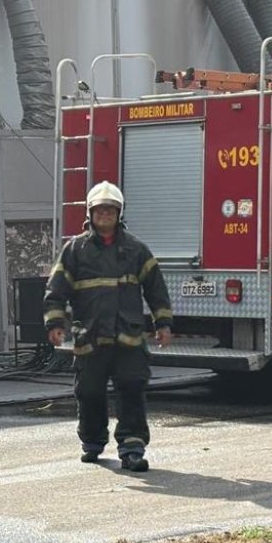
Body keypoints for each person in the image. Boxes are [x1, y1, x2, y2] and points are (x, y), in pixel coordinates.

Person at [43, 181, 173, 472]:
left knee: (132, 388)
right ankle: (92, 442)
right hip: (90, 338)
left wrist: (162, 322)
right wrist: (54, 323)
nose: (105, 214)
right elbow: (56, 290)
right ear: (90, 213)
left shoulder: (137, 250)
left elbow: (156, 289)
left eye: (110, 209)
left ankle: (132, 448)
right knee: (89, 392)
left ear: (119, 213)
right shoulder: (75, 250)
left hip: (128, 339)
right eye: (100, 209)